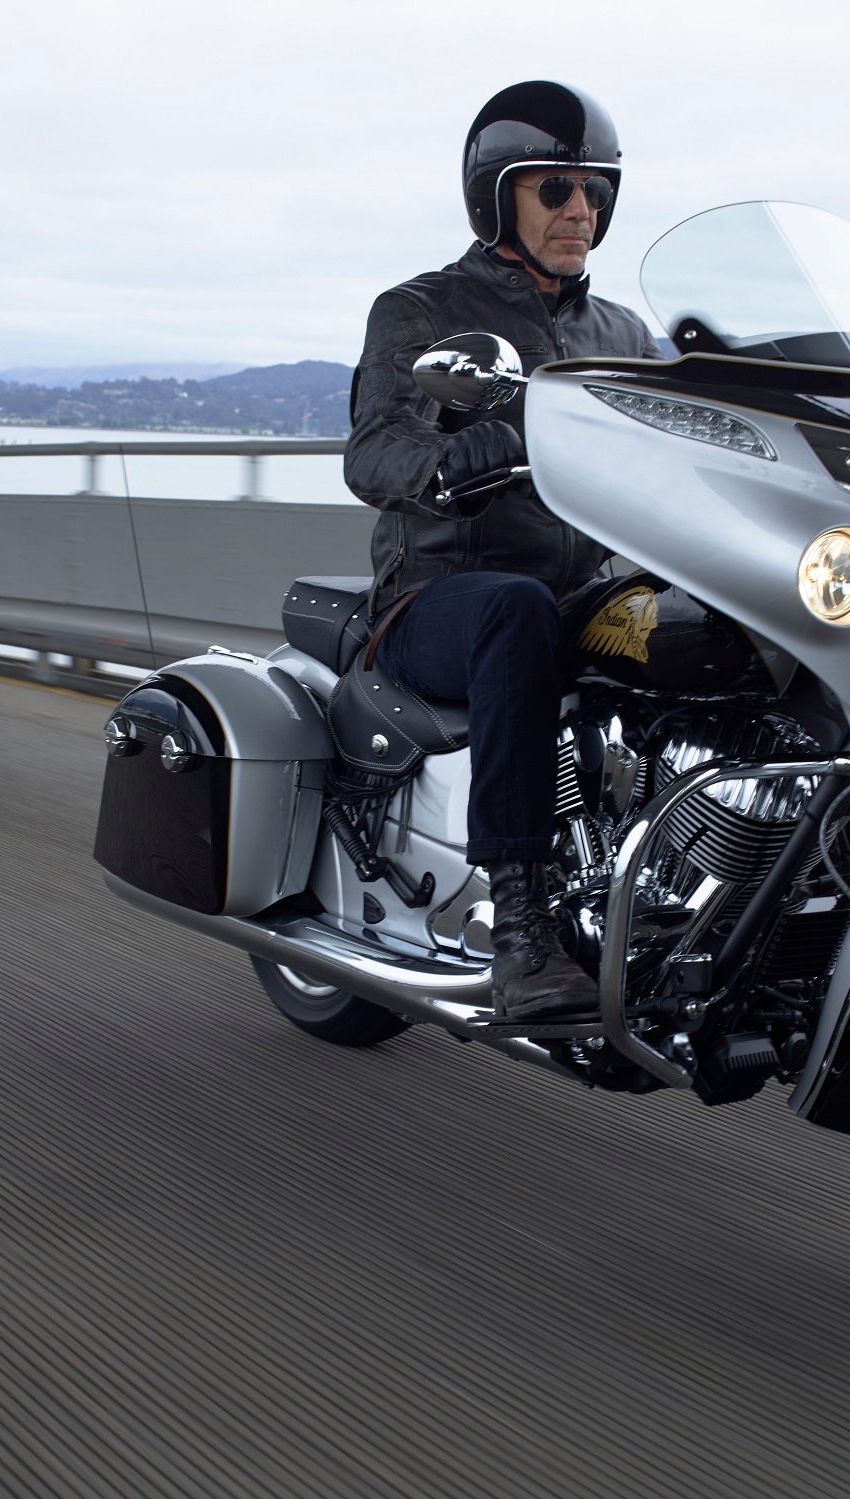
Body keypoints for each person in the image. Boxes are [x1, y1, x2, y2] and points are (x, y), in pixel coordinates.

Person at [343, 81, 656, 1024]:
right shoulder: (423, 310)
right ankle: (521, 922)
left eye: (595, 190)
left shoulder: (624, 336)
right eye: (554, 187)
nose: (580, 209)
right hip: (440, 596)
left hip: (580, 590)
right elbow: (373, 451)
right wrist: (454, 456)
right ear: (497, 196)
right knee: (513, 604)